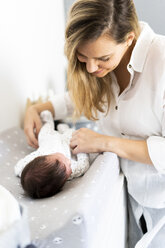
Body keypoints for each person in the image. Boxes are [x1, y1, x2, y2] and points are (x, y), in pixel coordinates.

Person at [23, 0, 165, 247]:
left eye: (102, 58)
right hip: (134, 196)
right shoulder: (103, 70)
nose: (90, 67)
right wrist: (37, 109)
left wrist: (104, 142)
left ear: (129, 39)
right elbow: (78, 98)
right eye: (82, 56)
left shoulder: (161, 63)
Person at [15, 111, 90, 199]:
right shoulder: (73, 171)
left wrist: (25, 173)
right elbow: (84, 163)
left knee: (44, 132)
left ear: (40, 157)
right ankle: (64, 129)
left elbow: (18, 167)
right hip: (65, 142)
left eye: (62, 161)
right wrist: (80, 150)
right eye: (68, 168)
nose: (68, 161)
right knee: (72, 135)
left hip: (48, 140)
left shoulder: (39, 155)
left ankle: (48, 121)